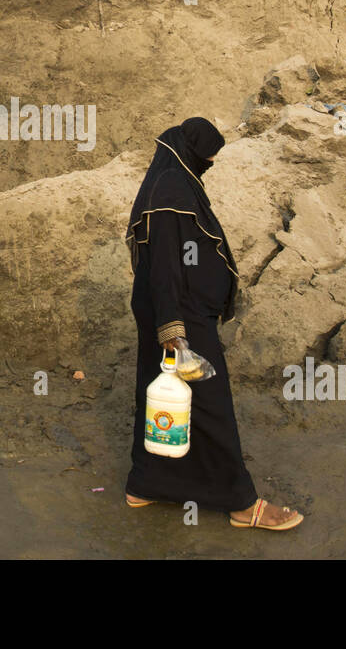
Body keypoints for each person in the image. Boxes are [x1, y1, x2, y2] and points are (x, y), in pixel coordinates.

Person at [123, 118, 305, 531]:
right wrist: (173, 331)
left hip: (169, 310)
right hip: (179, 316)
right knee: (211, 404)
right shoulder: (171, 187)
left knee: (158, 398)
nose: (208, 165)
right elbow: (166, 263)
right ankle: (241, 503)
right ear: (192, 153)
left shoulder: (170, 178)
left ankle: (146, 484)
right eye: (207, 159)